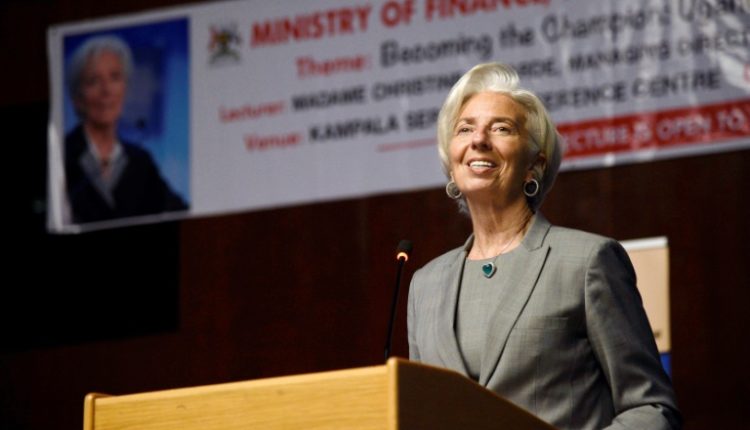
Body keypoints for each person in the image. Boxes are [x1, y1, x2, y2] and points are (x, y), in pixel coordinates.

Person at [407, 63, 681, 430]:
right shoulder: (424, 287)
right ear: (451, 160)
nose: (479, 139)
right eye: (465, 128)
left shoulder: (587, 262)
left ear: (534, 164)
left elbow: (652, 409)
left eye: (501, 128)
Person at [64, 35, 187, 224]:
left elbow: (179, 212)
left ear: (125, 89)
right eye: (94, 81)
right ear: (76, 97)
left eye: (114, 77)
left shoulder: (140, 161)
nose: (107, 91)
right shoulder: (61, 155)